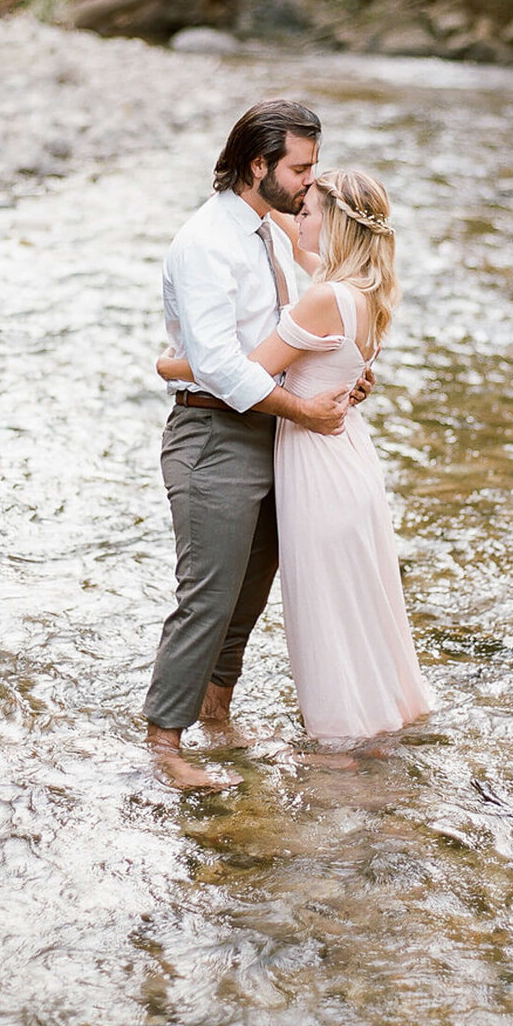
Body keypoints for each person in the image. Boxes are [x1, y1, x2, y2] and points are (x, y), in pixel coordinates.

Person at [157, 167, 433, 749]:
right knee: (358, 599)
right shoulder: (364, 289)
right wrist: (252, 193)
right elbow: (286, 224)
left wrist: (172, 364)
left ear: (333, 224)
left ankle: (340, 744)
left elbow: (245, 368)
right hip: (348, 459)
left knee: (326, 609)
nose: (296, 216)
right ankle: (378, 720)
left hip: (315, 465)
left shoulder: (324, 298)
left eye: (309, 210)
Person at [144, 100, 362, 791]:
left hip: (270, 430)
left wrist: (340, 372)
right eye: (300, 168)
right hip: (211, 434)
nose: (309, 182)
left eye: (313, 167)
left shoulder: (269, 233)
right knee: (208, 592)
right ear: (258, 164)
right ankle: (164, 741)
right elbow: (217, 365)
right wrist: (303, 408)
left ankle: (217, 711)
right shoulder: (206, 242)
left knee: (252, 585)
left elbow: (282, 335)